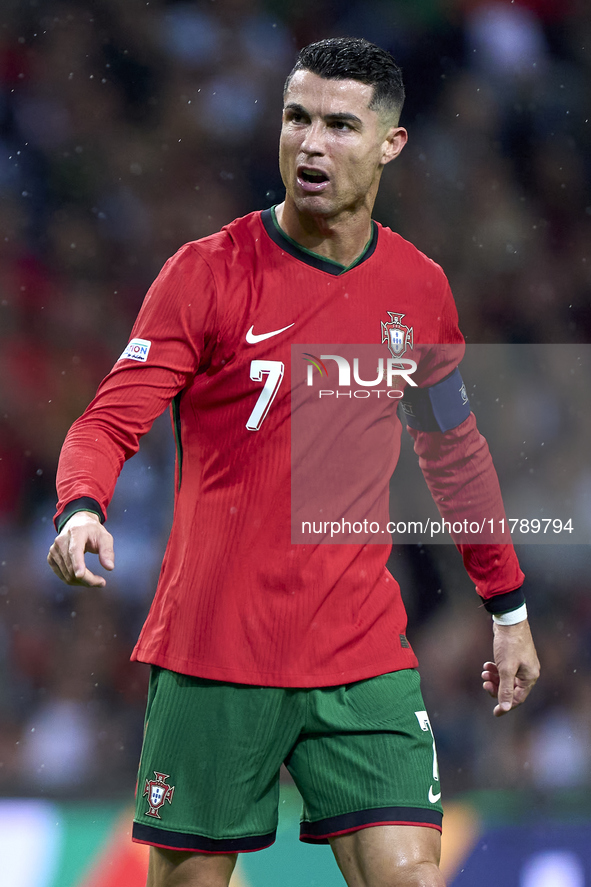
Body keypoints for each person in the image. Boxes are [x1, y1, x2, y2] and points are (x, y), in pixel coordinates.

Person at [48, 37, 540, 887]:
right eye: (296, 118)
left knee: (413, 878)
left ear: (391, 144)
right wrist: (82, 503)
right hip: (216, 647)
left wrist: (507, 604)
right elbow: (109, 418)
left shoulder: (417, 290)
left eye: (340, 126)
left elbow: (453, 456)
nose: (311, 143)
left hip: (359, 650)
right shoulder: (205, 275)